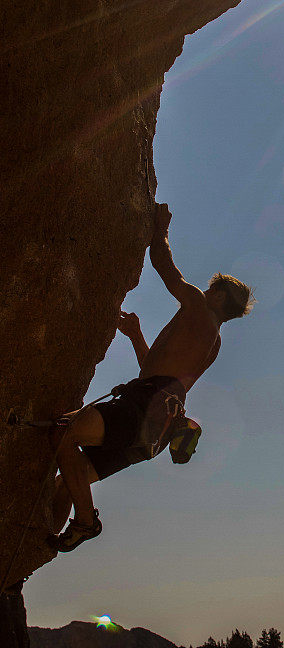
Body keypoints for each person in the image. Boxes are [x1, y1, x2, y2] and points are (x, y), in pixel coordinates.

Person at [48, 202, 254, 552]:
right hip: (156, 431)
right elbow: (155, 375)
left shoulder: (197, 305)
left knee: (63, 431)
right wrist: (135, 335)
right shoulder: (212, 342)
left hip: (144, 409)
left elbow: (163, 265)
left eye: (209, 289)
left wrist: (160, 228)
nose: (203, 291)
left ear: (217, 295)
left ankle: (85, 522)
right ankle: (39, 549)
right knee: (67, 482)